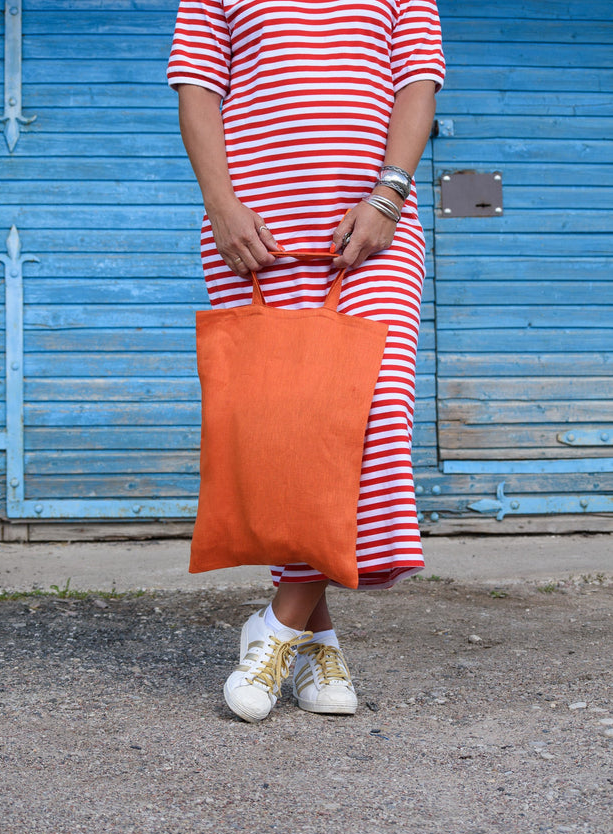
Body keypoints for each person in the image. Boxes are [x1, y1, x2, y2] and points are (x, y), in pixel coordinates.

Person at [167, 0, 445, 723]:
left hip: (371, 232)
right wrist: (221, 207)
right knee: (283, 441)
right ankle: (319, 642)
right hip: (255, 238)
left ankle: (278, 625)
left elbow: (419, 79)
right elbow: (197, 84)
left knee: (371, 415)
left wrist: (389, 194)